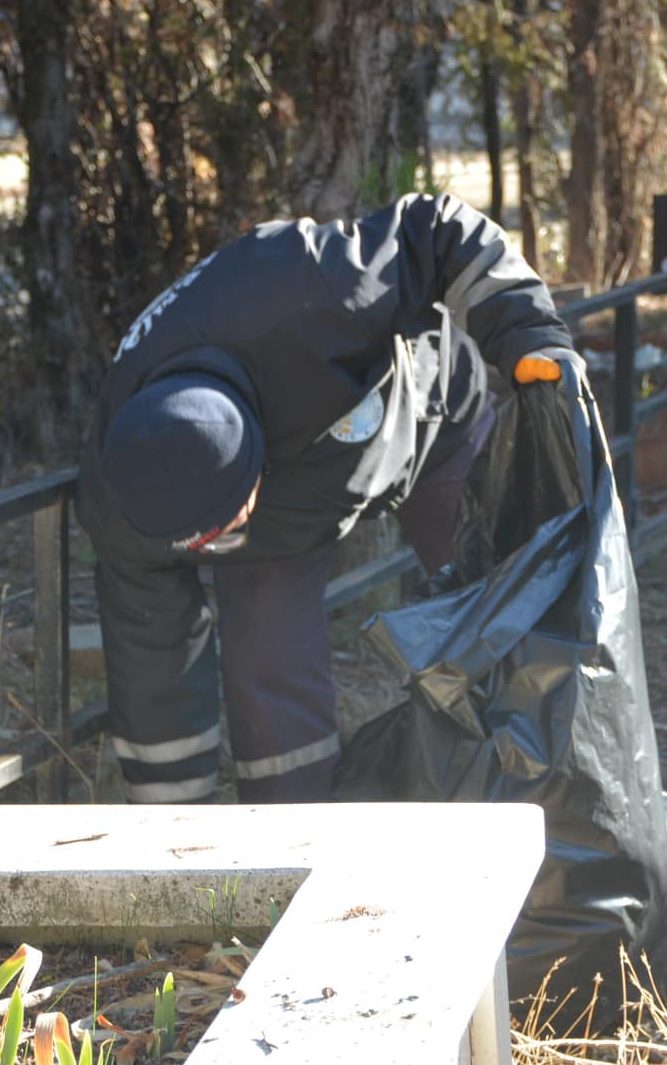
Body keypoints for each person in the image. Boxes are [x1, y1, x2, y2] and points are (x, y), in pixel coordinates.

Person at [74, 193, 575, 804]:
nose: (207, 549)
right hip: (295, 505)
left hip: (430, 423)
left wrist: (531, 338)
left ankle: (550, 803)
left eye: (217, 530)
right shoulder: (125, 491)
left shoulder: (311, 287)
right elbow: (152, 661)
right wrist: (173, 839)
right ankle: (297, 843)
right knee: (269, 669)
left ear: (252, 466)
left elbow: (439, 228)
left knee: (500, 609)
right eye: (197, 544)